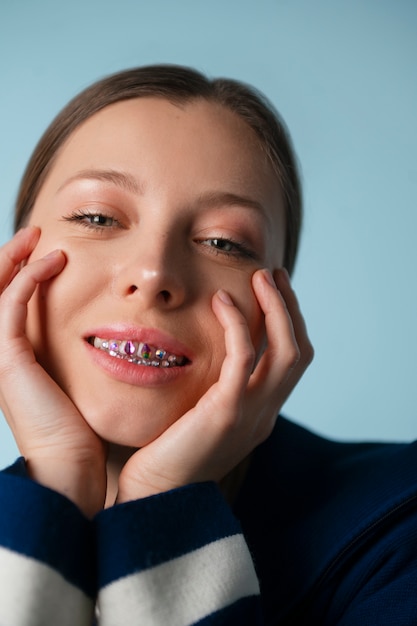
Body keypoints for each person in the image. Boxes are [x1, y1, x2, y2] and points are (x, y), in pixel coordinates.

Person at [0, 65, 415, 626]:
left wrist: (164, 505)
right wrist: (56, 484)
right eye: (96, 216)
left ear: (276, 308)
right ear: (15, 263)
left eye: (223, 242)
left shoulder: (397, 528)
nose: (153, 273)